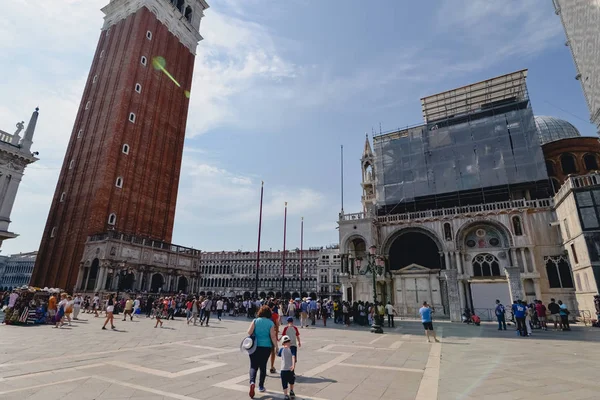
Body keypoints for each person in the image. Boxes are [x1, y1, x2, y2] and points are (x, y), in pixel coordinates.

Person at [247, 305, 277, 398]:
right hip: (266, 347)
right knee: (263, 366)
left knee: (253, 366)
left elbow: (249, 332)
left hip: (254, 346)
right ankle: (260, 386)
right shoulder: (270, 323)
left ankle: (252, 382)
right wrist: (277, 346)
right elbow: (273, 336)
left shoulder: (255, 320)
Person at [278, 335, 296, 400]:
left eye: (288, 341)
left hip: (288, 369)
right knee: (285, 382)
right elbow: (278, 354)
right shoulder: (283, 349)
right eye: (286, 342)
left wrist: (293, 365)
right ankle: (286, 394)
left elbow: (293, 357)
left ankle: (290, 391)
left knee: (291, 381)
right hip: (285, 369)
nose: (288, 343)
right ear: (283, 343)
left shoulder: (290, 349)